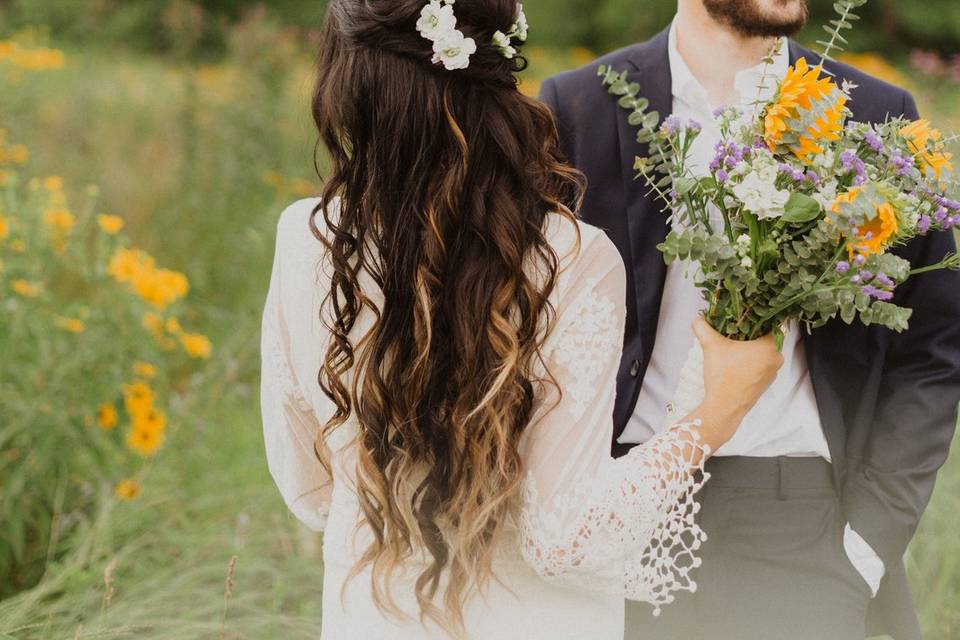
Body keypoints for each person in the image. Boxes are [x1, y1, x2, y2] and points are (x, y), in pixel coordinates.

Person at [260, 1, 785, 638]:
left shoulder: (306, 240)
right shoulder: (570, 259)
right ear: (499, 74)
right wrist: (718, 410)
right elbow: (563, 540)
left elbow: (311, 488)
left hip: (371, 612)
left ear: (347, 83)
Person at [539, 0, 960, 639]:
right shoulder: (576, 107)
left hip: (799, 529)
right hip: (621, 512)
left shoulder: (875, 115)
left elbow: (933, 348)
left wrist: (865, 545)